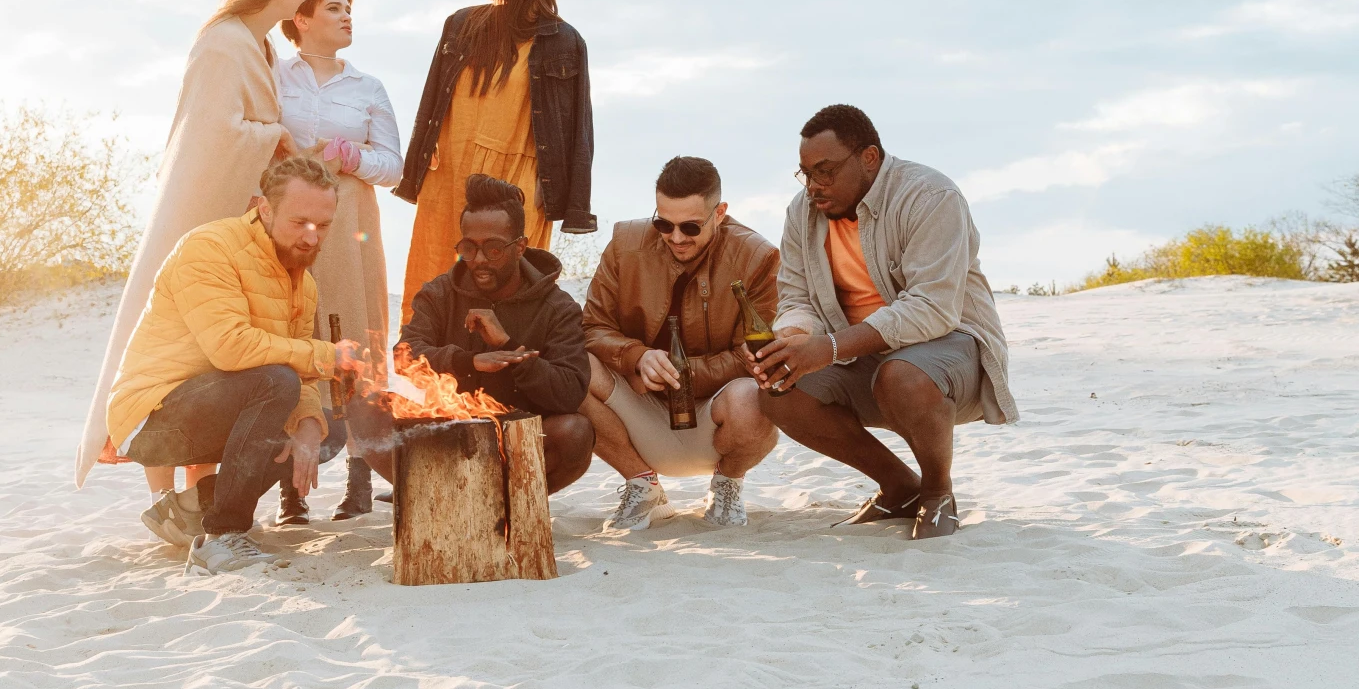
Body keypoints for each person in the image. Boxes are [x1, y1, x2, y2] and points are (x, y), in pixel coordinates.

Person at [76, 0, 304, 490]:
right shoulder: (223, 44)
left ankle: (202, 488)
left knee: (220, 354)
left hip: (244, 216)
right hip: (203, 213)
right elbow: (211, 134)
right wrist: (277, 135)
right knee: (177, 349)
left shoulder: (259, 47)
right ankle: (163, 494)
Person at [752, 104, 1017, 540]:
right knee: (779, 391)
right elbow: (796, 297)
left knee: (903, 376)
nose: (814, 187)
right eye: (805, 173)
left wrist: (830, 348)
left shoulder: (930, 196)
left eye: (826, 171)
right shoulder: (802, 212)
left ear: (869, 158)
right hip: (863, 362)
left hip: (947, 356)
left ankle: (936, 494)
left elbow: (931, 307)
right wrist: (793, 340)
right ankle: (900, 488)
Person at [105, 153, 362, 576]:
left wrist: (309, 426)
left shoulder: (304, 280)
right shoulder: (208, 248)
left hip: (218, 407)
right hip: (151, 419)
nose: (313, 238)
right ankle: (223, 536)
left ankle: (192, 508)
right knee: (276, 384)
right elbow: (230, 348)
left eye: (324, 225)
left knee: (328, 429)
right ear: (263, 208)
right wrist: (323, 356)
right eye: (300, 223)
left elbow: (296, 366)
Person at [347, 174, 595, 496]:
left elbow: (570, 391)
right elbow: (404, 354)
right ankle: (429, 495)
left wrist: (509, 349)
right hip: (448, 430)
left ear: (520, 246)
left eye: (493, 249)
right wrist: (470, 361)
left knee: (575, 432)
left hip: (519, 437)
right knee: (366, 407)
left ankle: (509, 504)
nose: (478, 260)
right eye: (468, 247)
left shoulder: (558, 306)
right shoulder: (439, 293)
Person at [396, 0, 595, 320]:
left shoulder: (564, 41)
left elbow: (578, 131)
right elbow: (431, 103)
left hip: (518, 184)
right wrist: (415, 172)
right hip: (451, 174)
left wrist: (565, 199)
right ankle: (438, 376)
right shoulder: (461, 24)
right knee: (438, 279)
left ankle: (505, 375)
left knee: (506, 291)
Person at [580, 155, 780, 532]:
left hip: (715, 415)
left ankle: (727, 484)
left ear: (719, 213)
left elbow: (752, 354)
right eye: (662, 223)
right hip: (639, 407)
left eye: (690, 226)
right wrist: (636, 358)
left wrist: (676, 374)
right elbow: (591, 326)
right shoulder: (625, 244)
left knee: (757, 394)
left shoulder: (758, 257)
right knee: (567, 365)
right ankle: (642, 485)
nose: (675, 237)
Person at [274, 0, 403, 524]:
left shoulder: (367, 87)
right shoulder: (275, 76)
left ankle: (358, 481)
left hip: (351, 223)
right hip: (290, 225)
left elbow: (394, 168)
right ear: (301, 18)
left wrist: (351, 156)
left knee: (354, 336)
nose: (348, 16)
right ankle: (291, 490)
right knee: (293, 334)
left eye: (350, 9)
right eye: (334, 8)